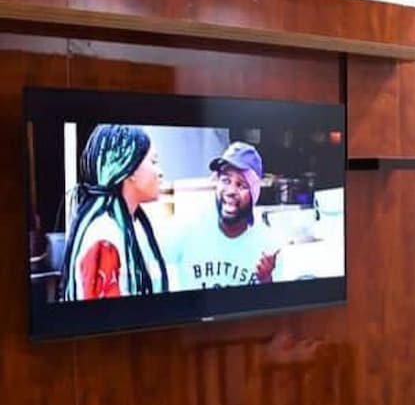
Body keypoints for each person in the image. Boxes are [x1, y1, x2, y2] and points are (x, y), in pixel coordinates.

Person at [60, 124, 170, 301]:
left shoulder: (125, 227)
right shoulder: (104, 236)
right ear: (130, 169)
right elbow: (104, 315)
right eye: (153, 162)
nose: (160, 172)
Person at [174, 142, 279, 289]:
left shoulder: (268, 248)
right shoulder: (187, 229)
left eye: (241, 185)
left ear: (253, 194)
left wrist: (266, 280)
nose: (230, 191)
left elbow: (276, 301)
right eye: (225, 180)